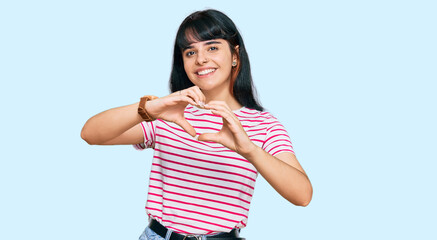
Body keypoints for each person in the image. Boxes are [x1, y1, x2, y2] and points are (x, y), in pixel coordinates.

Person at [81, 9, 312, 240]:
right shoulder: (170, 113)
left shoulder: (264, 125)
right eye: (190, 52)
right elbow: (90, 134)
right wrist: (151, 107)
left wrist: (250, 150)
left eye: (212, 47)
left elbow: (303, 196)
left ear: (235, 55)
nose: (201, 59)